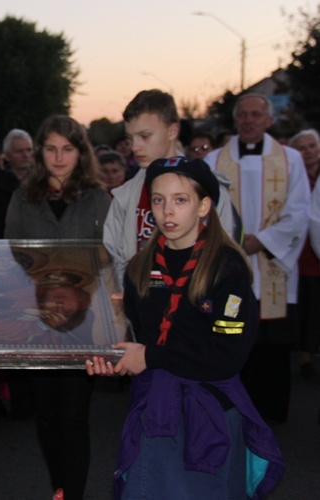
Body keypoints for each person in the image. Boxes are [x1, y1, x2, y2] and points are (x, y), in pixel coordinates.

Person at [86, 156, 285, 499]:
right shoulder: (139, 268)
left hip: (211, 411)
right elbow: (135, 340)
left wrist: (149, 357)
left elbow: (226, 358)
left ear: (204, 205)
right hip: (157, 407)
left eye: (181, 200)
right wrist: (114, 358)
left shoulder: (227, 267)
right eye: (159, 200)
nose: (167, 212)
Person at [4, 114, 110, 499]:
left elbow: (108, 258)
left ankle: (74, 494)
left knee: (74, 416)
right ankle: (59, 489)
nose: (59, 157)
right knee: (47, 417)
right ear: (40, 153)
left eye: (67, 149)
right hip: (39, 319)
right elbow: (13, 252)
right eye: (51, 149)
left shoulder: (98, 197)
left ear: (80, 153)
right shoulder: (24, 197)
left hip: (84, 321)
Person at [205, 93, 310, 423]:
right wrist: (234, 242)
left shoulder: (290, 160)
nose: (248, 121)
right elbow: (205, 210)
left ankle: (272, 415)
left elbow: (299, 211)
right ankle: (232, 413)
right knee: (232, 337)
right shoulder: (213, 161)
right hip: (230, 264)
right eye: (243, 115)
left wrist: (261, 241)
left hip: (271, 265)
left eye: (256, 115)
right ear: (235, 120)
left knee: (272, 347)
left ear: (268, 120)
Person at [103, 89, 234, 289]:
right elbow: (116, 259)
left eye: (145, 136)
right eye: (130, 138)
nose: (135, 147)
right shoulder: (125, 195)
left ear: (172, 131)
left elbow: (225, 258)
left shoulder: (208, 189)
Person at [289, 129, 320, 379]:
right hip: (301, 256)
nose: (308, 151)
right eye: (302, 147)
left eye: (312, 145)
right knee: (305, 308)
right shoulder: (292, 177)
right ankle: (305, 355)